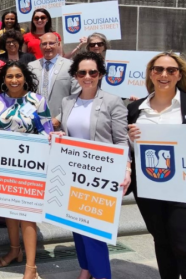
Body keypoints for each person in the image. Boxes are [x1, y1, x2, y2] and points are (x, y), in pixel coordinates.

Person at [127, 52, 186, 279]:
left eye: (171, 70)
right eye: (158, 69)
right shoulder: (134, 109)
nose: (164, 74)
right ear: (151, 73)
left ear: (179, 75)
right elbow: (127, 151)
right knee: (163, 245)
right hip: (151, 189)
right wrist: (131, 141)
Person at [54, 51, 131, 279]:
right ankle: (85, 269)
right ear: (75, 75)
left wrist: (126, 169)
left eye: (93, 72)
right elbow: (66, 132)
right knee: (77, 228)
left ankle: (101, 275)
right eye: (82, 72)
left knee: (95, 232)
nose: (87, 76)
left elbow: (120, 140)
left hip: (101, 175)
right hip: (73, 173)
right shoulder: (68, 101)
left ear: (100, 74)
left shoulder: (112, 101)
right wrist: (56, 136)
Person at [0, 61, 52, 279]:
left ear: (25, 77)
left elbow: (47, 130)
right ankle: (15, 251)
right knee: (9, 211)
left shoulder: (37, 101)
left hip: (30, 165)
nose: (14, 80)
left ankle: (31, 267)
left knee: (27, 214)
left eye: (18, 76)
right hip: (4, 164)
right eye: (9, 76)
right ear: (3, 79)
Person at [28, 33, 79, 130]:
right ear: (40, 46)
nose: (47, 47)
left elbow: (76, 96)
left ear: (58, 44)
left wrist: (59, 119)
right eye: (44, 44)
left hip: (61, 125)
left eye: (51, 43)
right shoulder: (31, 66)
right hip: (35, 124)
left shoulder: (71, 66)